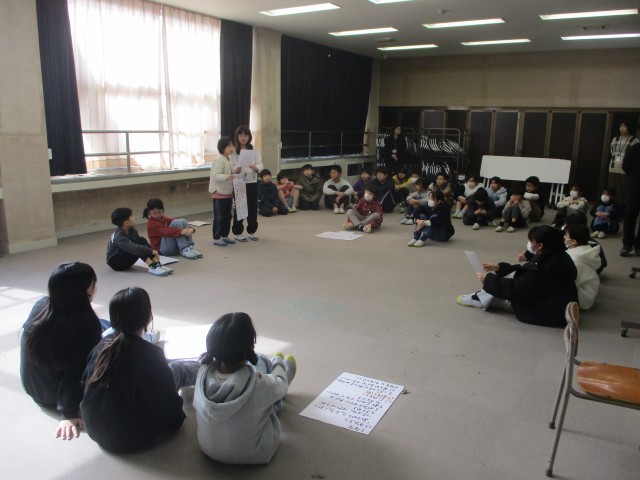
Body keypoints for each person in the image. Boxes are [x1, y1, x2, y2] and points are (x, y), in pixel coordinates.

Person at [80, 288, 186, 453]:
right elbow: (170, 411)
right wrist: (178, 419)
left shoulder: (101, 346)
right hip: (132, 438)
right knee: (177, 369)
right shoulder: (151, 355)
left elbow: (86, 385)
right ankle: (204, 368)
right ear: (148, 317)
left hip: (93, 428)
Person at [193, 312, 296, 465]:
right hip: (255, 453)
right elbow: (281, 383)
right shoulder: (259, 385)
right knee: (271, 392)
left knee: (260, 385)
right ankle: (280, 364)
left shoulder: (202, 373)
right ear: (251, 345)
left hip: (208, 449)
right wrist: (278, 363)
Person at [20, 262, 102, 440]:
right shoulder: (86, 323)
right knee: (109, 340)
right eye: (92, 284)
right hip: (55, 395)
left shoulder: (42, 305)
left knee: (103, 325)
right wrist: (69, 412)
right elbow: (78, 369)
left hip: (34, 387)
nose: (95, 288)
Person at [456, 225, 578, 328]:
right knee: (512, 276)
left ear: (540, 245)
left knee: (508, 288)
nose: (530, 244)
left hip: (549, 313)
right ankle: (483, 296)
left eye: (532, 241)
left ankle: (482, 299)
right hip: (558, 306)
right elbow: (526, 271)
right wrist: (499, 268)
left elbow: (518, 288)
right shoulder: (557, 255)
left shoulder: (545, 266)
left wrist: (487, 279)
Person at [106, 208, 173, 276]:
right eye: (132, 216)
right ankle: (152, 266)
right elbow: (135, 248)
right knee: (136, 247)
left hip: (124, 255)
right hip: (116, 263)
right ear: (126, 222)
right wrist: (151, 251)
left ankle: (157, 264)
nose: (134, 217)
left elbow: (139, 242)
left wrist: (151, 252)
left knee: (141, 240)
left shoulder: (131, 229)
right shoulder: (119, 237)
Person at [231, 126, 263, 242]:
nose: (243, 138)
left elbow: (261, 164)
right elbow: (231, 166)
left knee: (252, 207)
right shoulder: (234, 151)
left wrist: (256, 167)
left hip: (251, 182)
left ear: (249, 137)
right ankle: (238, 232)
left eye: (246, 135)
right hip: (239, 182)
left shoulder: (254, 150)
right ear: (237, 136)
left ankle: (252, 231)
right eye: (241, 135)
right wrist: (236, 169)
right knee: (240, 207)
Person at [563, 225, 600, 311]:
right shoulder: (586, 250)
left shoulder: (575, 259)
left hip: (582, 298)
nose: (564, 238)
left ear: (574, 241)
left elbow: (569, 281)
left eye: (566, 236)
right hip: (588, 292)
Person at [209, 136, 236, 247]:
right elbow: (215, 175)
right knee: (219, 217)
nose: (231, 148)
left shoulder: (229, 159)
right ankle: (216, 237)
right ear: (222, 147)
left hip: (228, 192)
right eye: (229, 146)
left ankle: (224, 235)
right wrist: (227, 177)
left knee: (227, 216)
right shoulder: (219, 159)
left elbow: (231, 172)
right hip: (219, 193)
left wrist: (236, 172)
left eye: (232, 146)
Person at [608, 120, 638, 208]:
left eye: (624, 126)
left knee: (623, 192)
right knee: (611, 191)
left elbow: (634, 156)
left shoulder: (634, 140)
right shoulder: (615, 139)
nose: (622, 128)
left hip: (625, 170)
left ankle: (621, 210)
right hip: (613, 169)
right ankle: (610, 208)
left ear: (629, 128)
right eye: (621, 126)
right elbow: (612, 151)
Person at [621, 142, 640, 257]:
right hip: (635, 186)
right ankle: (627, 244)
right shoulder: (634, 148)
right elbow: (625, 166)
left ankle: (639, 246)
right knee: (630, 215)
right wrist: (634, 176)